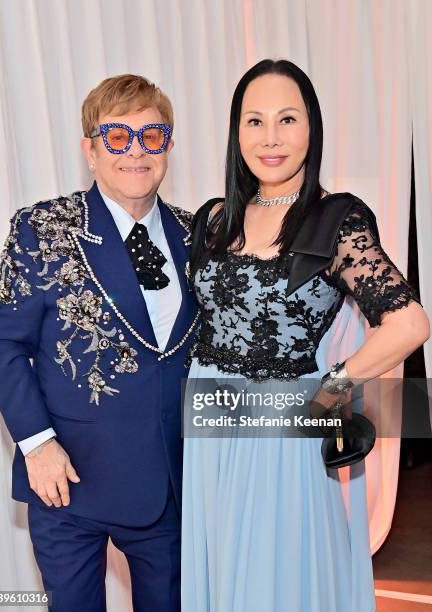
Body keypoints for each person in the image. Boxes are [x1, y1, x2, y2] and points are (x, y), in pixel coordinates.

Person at [181, 59, 430, 612]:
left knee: (274, 580)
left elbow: (410, 324)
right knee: (221, 567)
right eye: (255, 121)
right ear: (235, 131)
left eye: (287, 119)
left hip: (279, 428)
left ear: (311, 129)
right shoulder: (213, 218)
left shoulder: (335, 218)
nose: (271, 138)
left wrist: (334, 387)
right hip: (210, 424)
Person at [0, 74, 198, 612]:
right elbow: (4, 345)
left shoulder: (201, 235)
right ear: (91, 150)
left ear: (167, 146)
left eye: (151, 135)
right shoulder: (43, 228)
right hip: (68, 480)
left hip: (174, 484)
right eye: (116, 136)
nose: (135, 151)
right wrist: (36, 445)